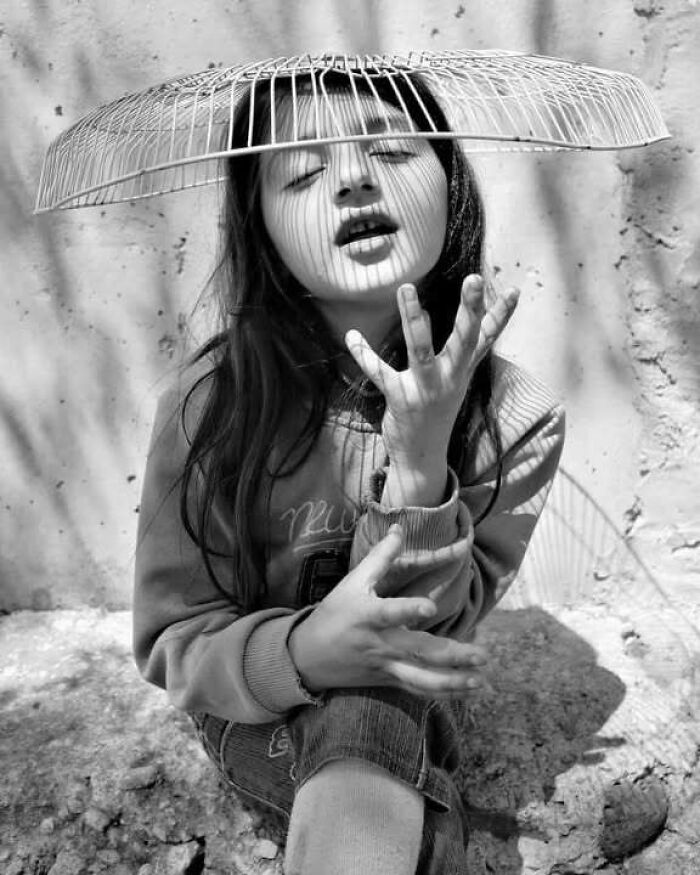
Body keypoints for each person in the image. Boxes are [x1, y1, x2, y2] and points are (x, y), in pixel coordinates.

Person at [133, 67, 565, 874]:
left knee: (376, 700)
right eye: (300, 172)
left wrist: (421, 459)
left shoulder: (517, 417)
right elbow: (175, 641)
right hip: (256, 707)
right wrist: (303, 653)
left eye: (394, 152)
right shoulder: (210, 405)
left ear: (453, 191)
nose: (355, 178)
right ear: (260, 227)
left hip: (400, 700)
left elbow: (430, 634)